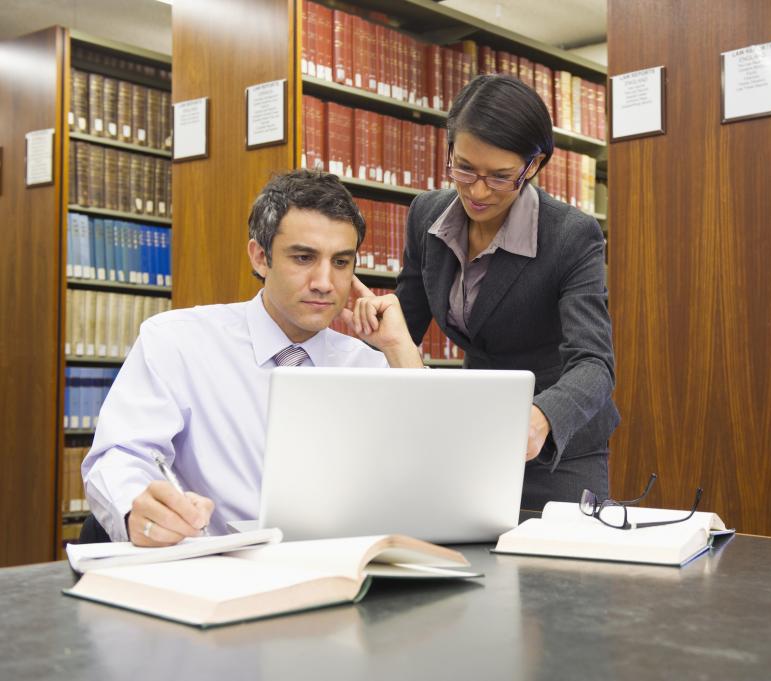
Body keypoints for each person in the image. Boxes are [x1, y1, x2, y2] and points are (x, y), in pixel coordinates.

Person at [82, 169, 424, 546]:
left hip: (334, 569)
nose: (325, 282)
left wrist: (400, 348)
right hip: (217, 574)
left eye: (341, 262)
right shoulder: (177, 341)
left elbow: (429, 478)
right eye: (304, 257)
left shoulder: (369, 366)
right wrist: (137, 507)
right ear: (260, 258)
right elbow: (120, 454)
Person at [396, 74, 619, 511]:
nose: (477, 191)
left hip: (560, 449)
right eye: (464, 168)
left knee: (555, 575)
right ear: (449, 149)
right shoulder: (426, 215)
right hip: (473, 439)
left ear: (532, 165)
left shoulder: (570, 235)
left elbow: (594, 363)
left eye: (500, 177)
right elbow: (405, 323)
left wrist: (542, 418)